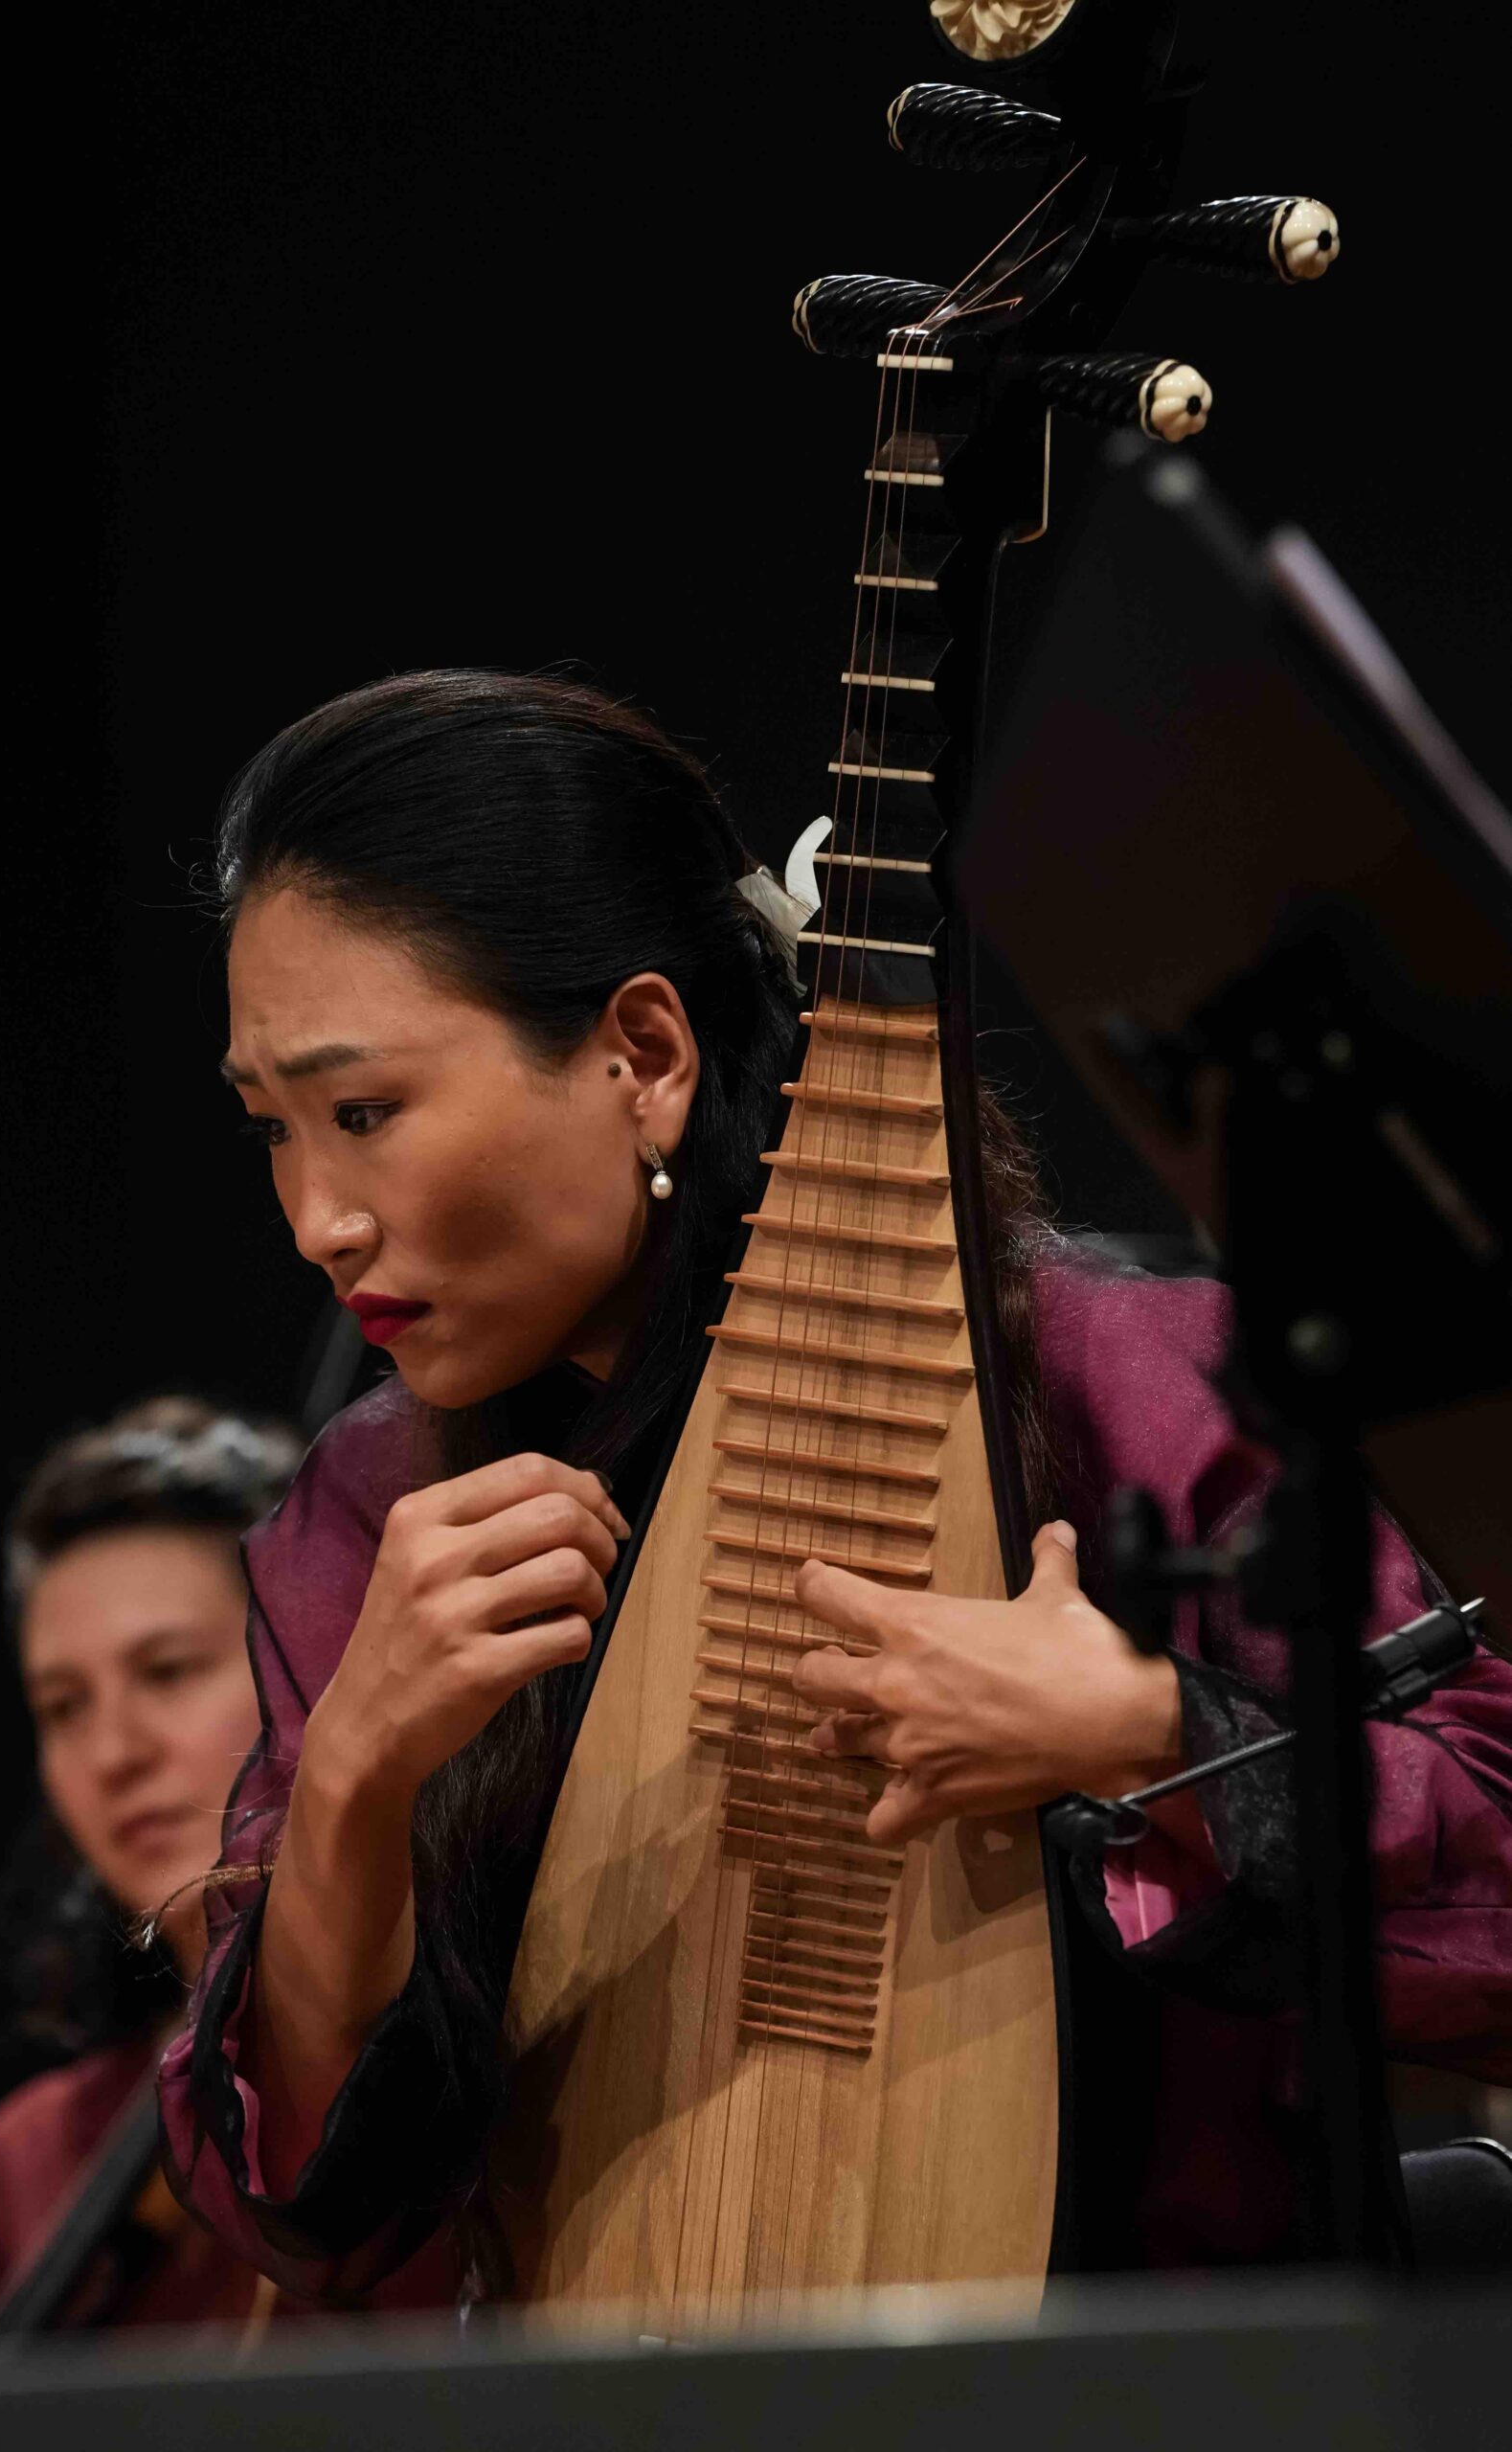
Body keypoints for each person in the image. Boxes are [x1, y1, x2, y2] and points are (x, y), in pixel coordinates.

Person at [154, 670, 1511, 2293]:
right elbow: (304, 2206)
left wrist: (1152, 1734)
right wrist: (358, 1780)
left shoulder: (1133, 1386)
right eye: (273, 1131)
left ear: (643, 1053)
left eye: (364, 1111)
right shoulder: (372, 1511)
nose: (319, 1219)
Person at [0, 1396, 456, 2347]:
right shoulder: (4, 2181)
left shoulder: (496, 2090)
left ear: (326, 1660)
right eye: (63, 1706)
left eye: (168, 1669)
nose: (113, 1751)